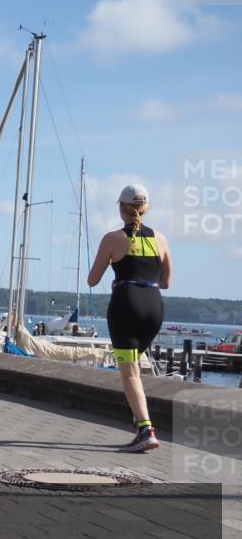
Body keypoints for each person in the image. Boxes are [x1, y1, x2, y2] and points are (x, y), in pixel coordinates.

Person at [87, 184, 172, 452]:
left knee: (130, 372)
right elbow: (166, 281)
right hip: (154, 307)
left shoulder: (113, 238)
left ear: (122, 208)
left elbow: (92, 279)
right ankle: (139, 419)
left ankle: (146, 430)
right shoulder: (160, 237)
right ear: (145, 209)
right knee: (134, 366)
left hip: (126, 306)